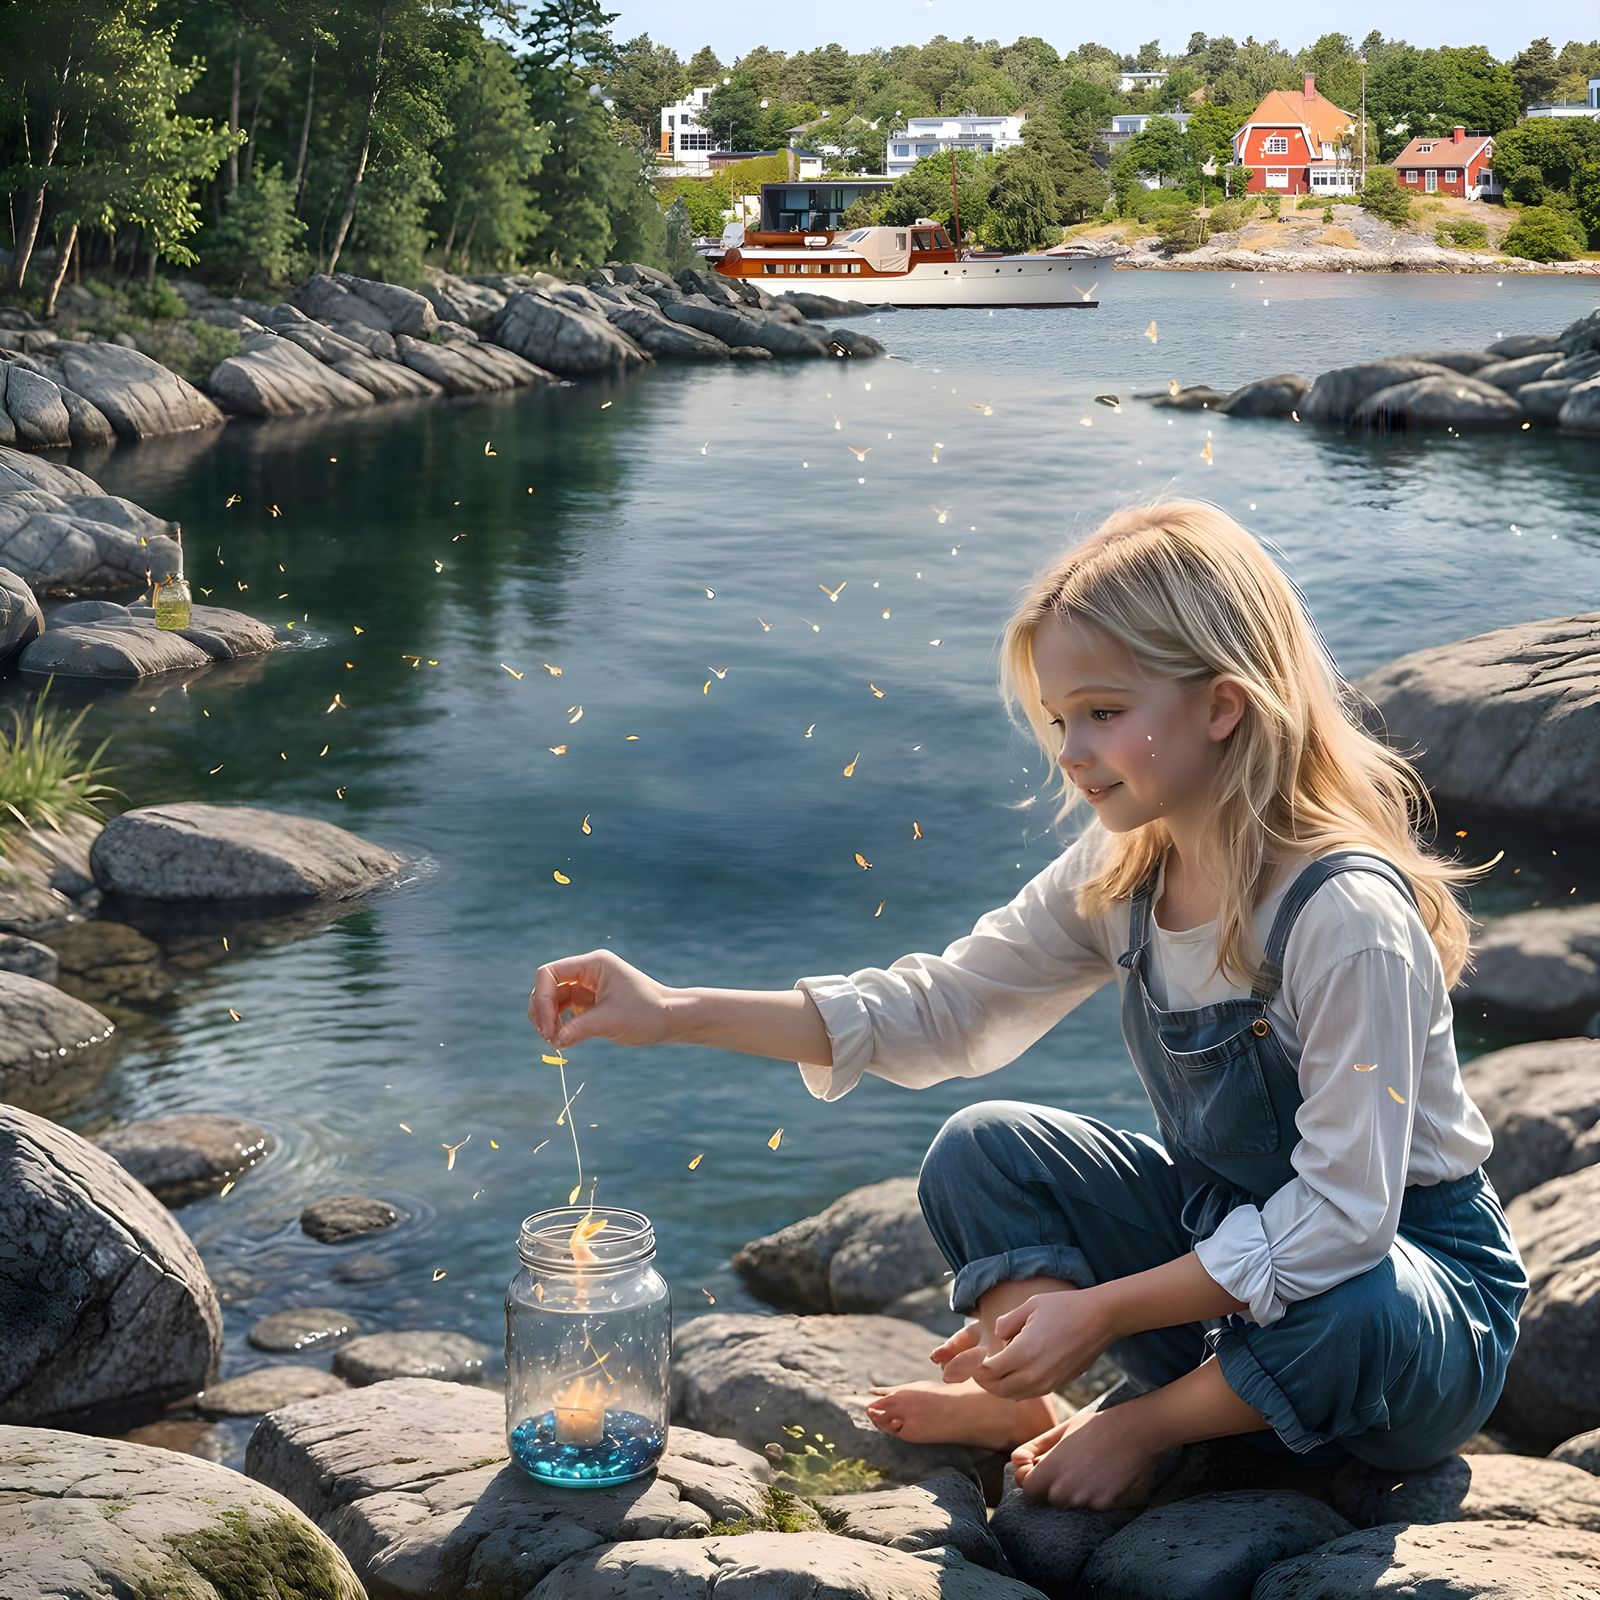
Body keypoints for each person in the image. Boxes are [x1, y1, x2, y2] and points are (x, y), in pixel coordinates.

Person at [529, 500, 1529, 1513]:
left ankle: (1147, 1424)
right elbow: (945, 1006)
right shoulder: (1126, 867)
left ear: (1222, 705)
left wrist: (1104, 1313)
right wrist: (671, 1009)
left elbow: (1345, 1221)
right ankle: (1024, 1396)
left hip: (1413, 1320)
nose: (1070, 750)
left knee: (1355, 1299)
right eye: (1060, 719)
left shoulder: (1343, 914)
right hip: (1229, 1273)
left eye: (1103, 711)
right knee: (983, 1149)